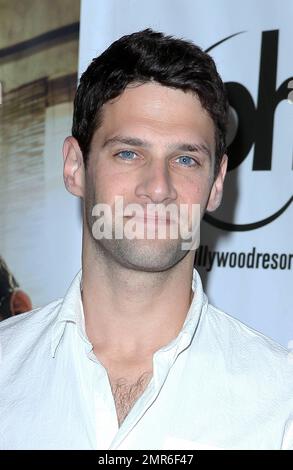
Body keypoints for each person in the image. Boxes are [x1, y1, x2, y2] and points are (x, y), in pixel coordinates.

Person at [0, 28, 292, 451]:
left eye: (186, 159)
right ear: (75, 168)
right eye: (128, 153)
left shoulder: (279, 401)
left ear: (215, 184)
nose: (158, 187)